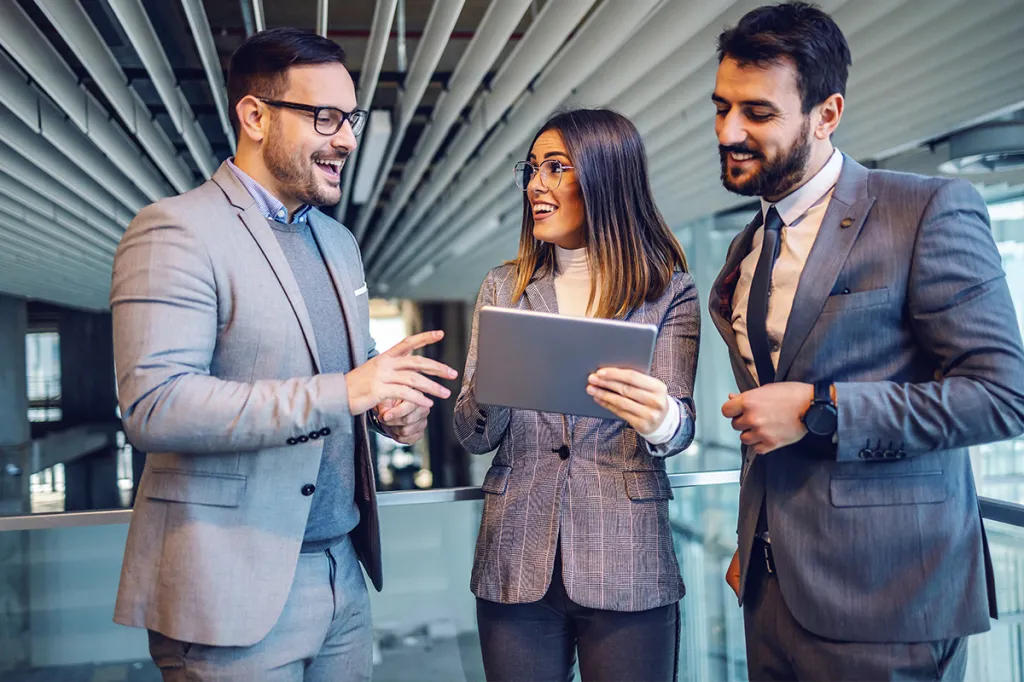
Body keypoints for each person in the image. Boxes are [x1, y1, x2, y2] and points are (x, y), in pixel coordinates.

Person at [110, 27, 457, 681]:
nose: (346, 139)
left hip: (343, 574)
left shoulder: (338, 243)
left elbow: (348, 376)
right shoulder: (175, 229)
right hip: (230, 584)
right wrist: (346, 392)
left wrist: (389, 410)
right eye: (325, 117)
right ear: (255, 116)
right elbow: (155, 406)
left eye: (350, 119)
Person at [708, 3, 1024, 680]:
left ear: (826, 115)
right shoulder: (747, 245)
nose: (728, 131)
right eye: (721, 107)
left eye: (756, 113)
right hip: (769, 593)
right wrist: (754, 540)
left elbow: (1003, 397)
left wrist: (820, 409)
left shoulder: (923, 211)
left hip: (889, 601)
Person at [454, 108, 699, 682]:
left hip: (628, 553)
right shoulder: (504, 287)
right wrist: (498, 385)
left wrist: (660, 418)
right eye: (532, 169)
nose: (535, 185)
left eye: (556, 168)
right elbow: (472, 434)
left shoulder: (668, 292)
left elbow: (680, 428)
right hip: (515, 553)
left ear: (605, 177)